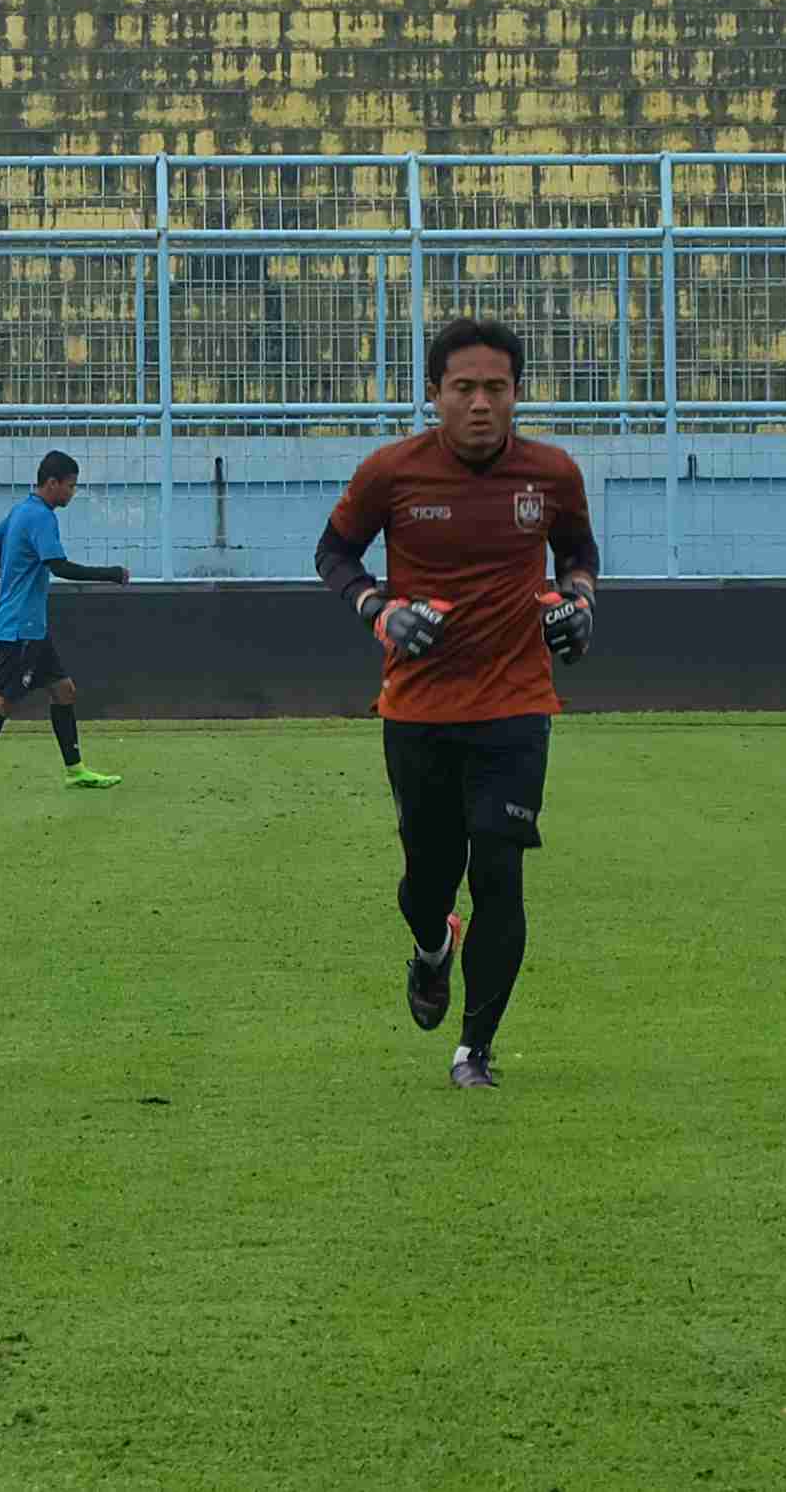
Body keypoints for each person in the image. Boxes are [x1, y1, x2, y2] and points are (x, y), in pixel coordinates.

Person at [314, 319, 598, 1090]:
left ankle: (474, 1049)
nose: (480, 404)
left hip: (516, 702)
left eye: (496, 388)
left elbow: (579, 553)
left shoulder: (552, 474)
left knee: (500, 869)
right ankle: (433, 946)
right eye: (464, 388)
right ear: (434, 393)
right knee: (429, 879)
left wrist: (579, 601)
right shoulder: (392, 472)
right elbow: (334, 552)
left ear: (517, 394)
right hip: (419, 710)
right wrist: (378, 609)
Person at [0, 450, 129, 795]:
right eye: (71, 486)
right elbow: (59, 566)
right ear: (52, 483)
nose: (73, 492)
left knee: (64, 691)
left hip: (32, 627)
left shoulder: (21, 510)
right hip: (21, 628)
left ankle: (75, 771)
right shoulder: (42, 517)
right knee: (2, 700)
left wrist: (15, 569)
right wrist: (112, 573)